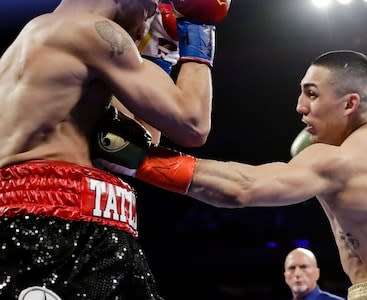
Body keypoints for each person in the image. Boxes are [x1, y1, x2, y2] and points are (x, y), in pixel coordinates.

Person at [99, 50, 367, 299]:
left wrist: (138, 160)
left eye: (312, 94)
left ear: (350, 103)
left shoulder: (335, 161)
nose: (299, 105)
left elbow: (242, 189)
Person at [0, 0, 224, 298]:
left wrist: (161, 56)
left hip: (65, 218)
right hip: (53, 222)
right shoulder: (92, 32)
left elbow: (142, 136)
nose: (152, 19)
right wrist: (197, 31)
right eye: (150, 9)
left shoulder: (51, 40)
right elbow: (193, 124)